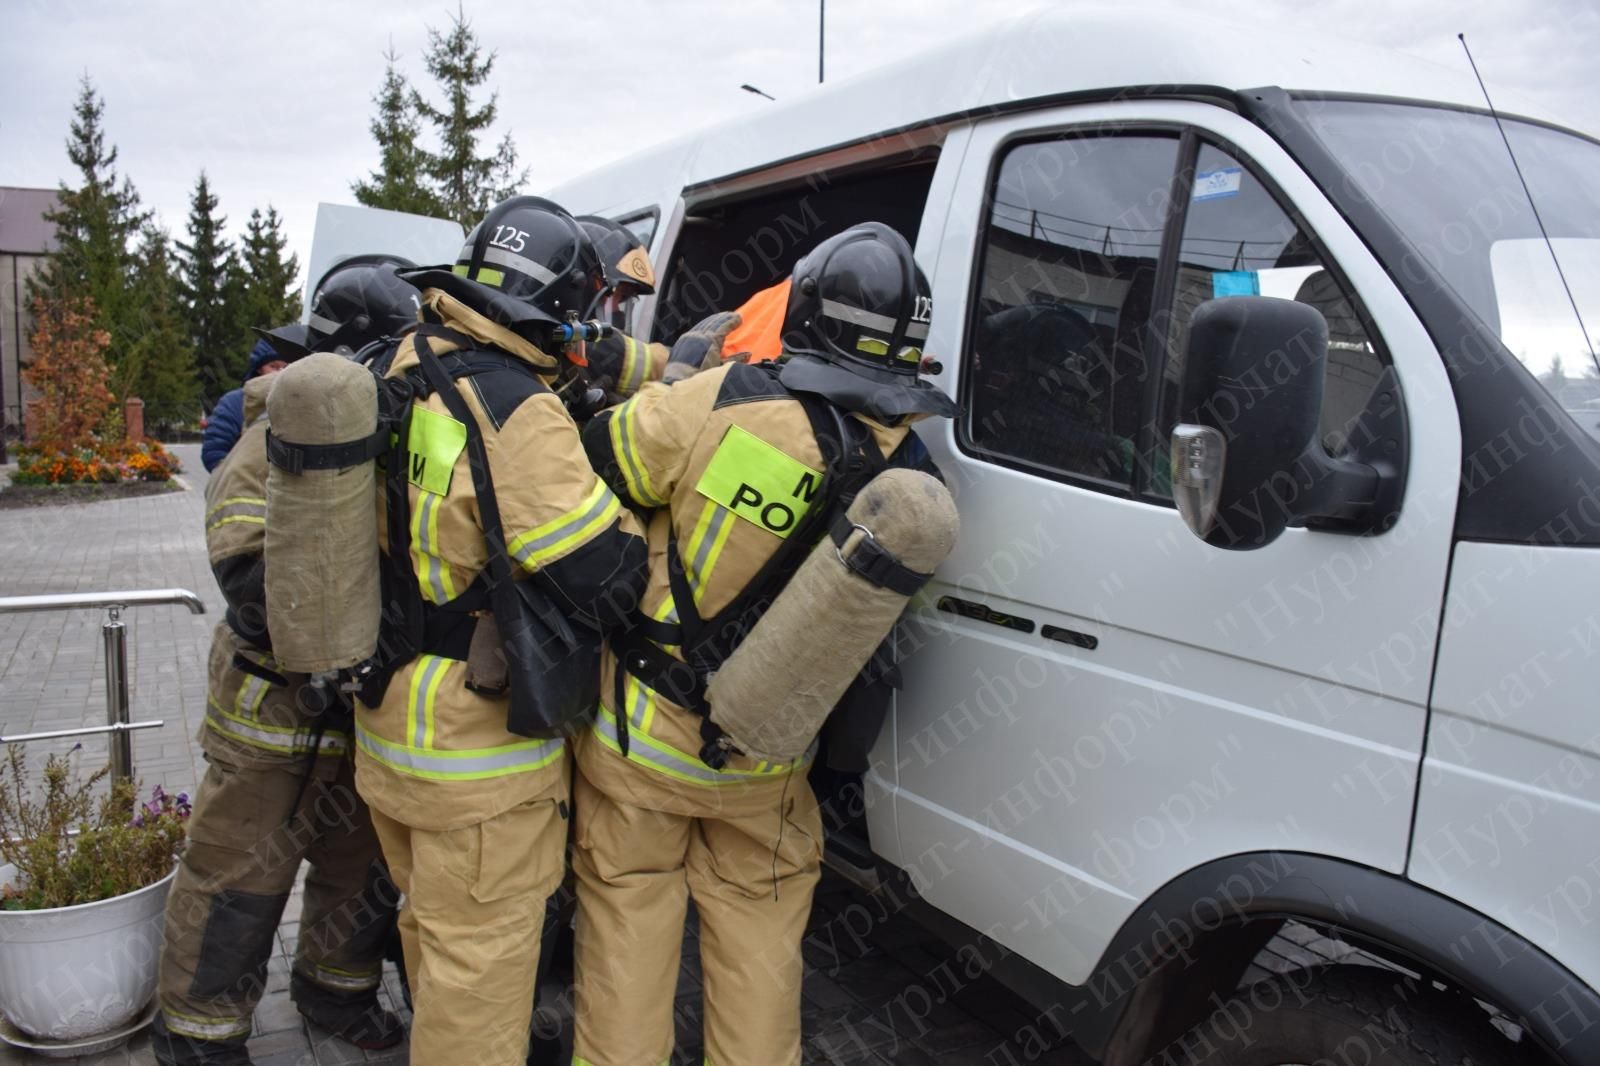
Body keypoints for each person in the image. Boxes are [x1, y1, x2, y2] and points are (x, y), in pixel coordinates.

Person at [571, 222, 957, 1065]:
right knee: (760, 954)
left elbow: (596, 466)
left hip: (644, 739)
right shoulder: (913, 467)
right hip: (769, 755)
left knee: (629, 936)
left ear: (809, 318)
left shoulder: (727, 399)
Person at [353, 195, 647, 1066]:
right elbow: (603, 576)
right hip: (477, 762)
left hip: (391, 725)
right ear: (562, 308)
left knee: (436, 949)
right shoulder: (513, 405)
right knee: (478, 985)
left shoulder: (403, 360)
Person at [152, 257, 423, 1066]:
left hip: (353, 710)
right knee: (237, 878)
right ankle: (198, 1032)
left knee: (358, 864)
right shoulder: (273, 439)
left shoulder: (388, 436)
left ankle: (334, 989)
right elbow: (244, 573)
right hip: (268, 713)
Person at [201, 339, 287, 472]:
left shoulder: (302, 404)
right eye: (273, 366)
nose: (280, 372)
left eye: (287, 367)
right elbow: (214, 452)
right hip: (245, 487)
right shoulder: (235, 402)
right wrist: (240, 480)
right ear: (259, 368)